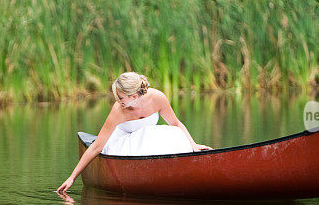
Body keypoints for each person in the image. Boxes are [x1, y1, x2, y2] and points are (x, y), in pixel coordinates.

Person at [56, 72, 211, 194]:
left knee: (170, 133)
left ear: (134, 96)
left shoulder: (157, 98)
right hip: (124, 142)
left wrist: (193, 145)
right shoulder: (118, 110)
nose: (118, 100)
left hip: (147, 140)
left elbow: (176, 123)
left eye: (121, 97)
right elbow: (97, 146)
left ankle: (171, 176)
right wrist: (72, 177)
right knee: (147, 135)